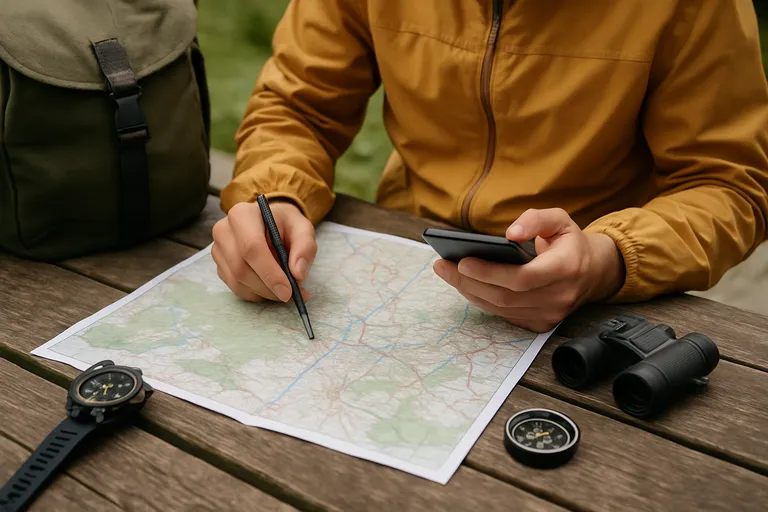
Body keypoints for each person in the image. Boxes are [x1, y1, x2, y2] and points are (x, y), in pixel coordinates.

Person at [212, 0, 768, 333]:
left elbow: (730, 182)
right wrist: (274, 194)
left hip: (593, 306)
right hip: (410, 258)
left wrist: (607, 257)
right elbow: (298, 106)